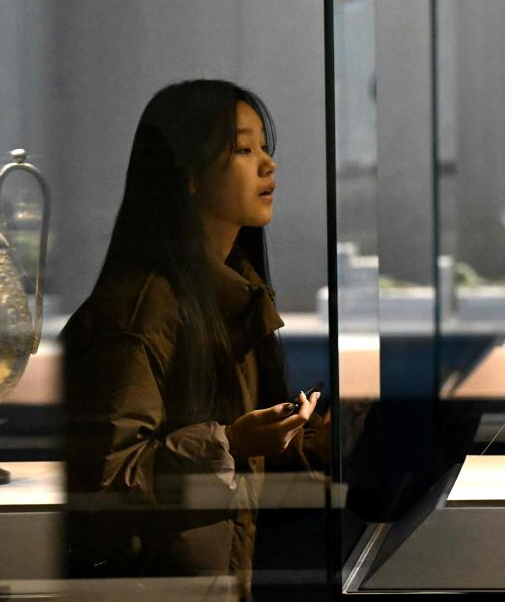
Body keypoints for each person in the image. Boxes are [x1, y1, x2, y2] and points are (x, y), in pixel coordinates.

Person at [62, 79, 329, 600]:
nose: (268, 165)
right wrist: (230, 444)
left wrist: (318, 438)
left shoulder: (230, 296)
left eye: (265, 148)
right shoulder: (140, 312)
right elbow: (105, 482)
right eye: (244, 150)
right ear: (187, 175)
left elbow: (244, 461)